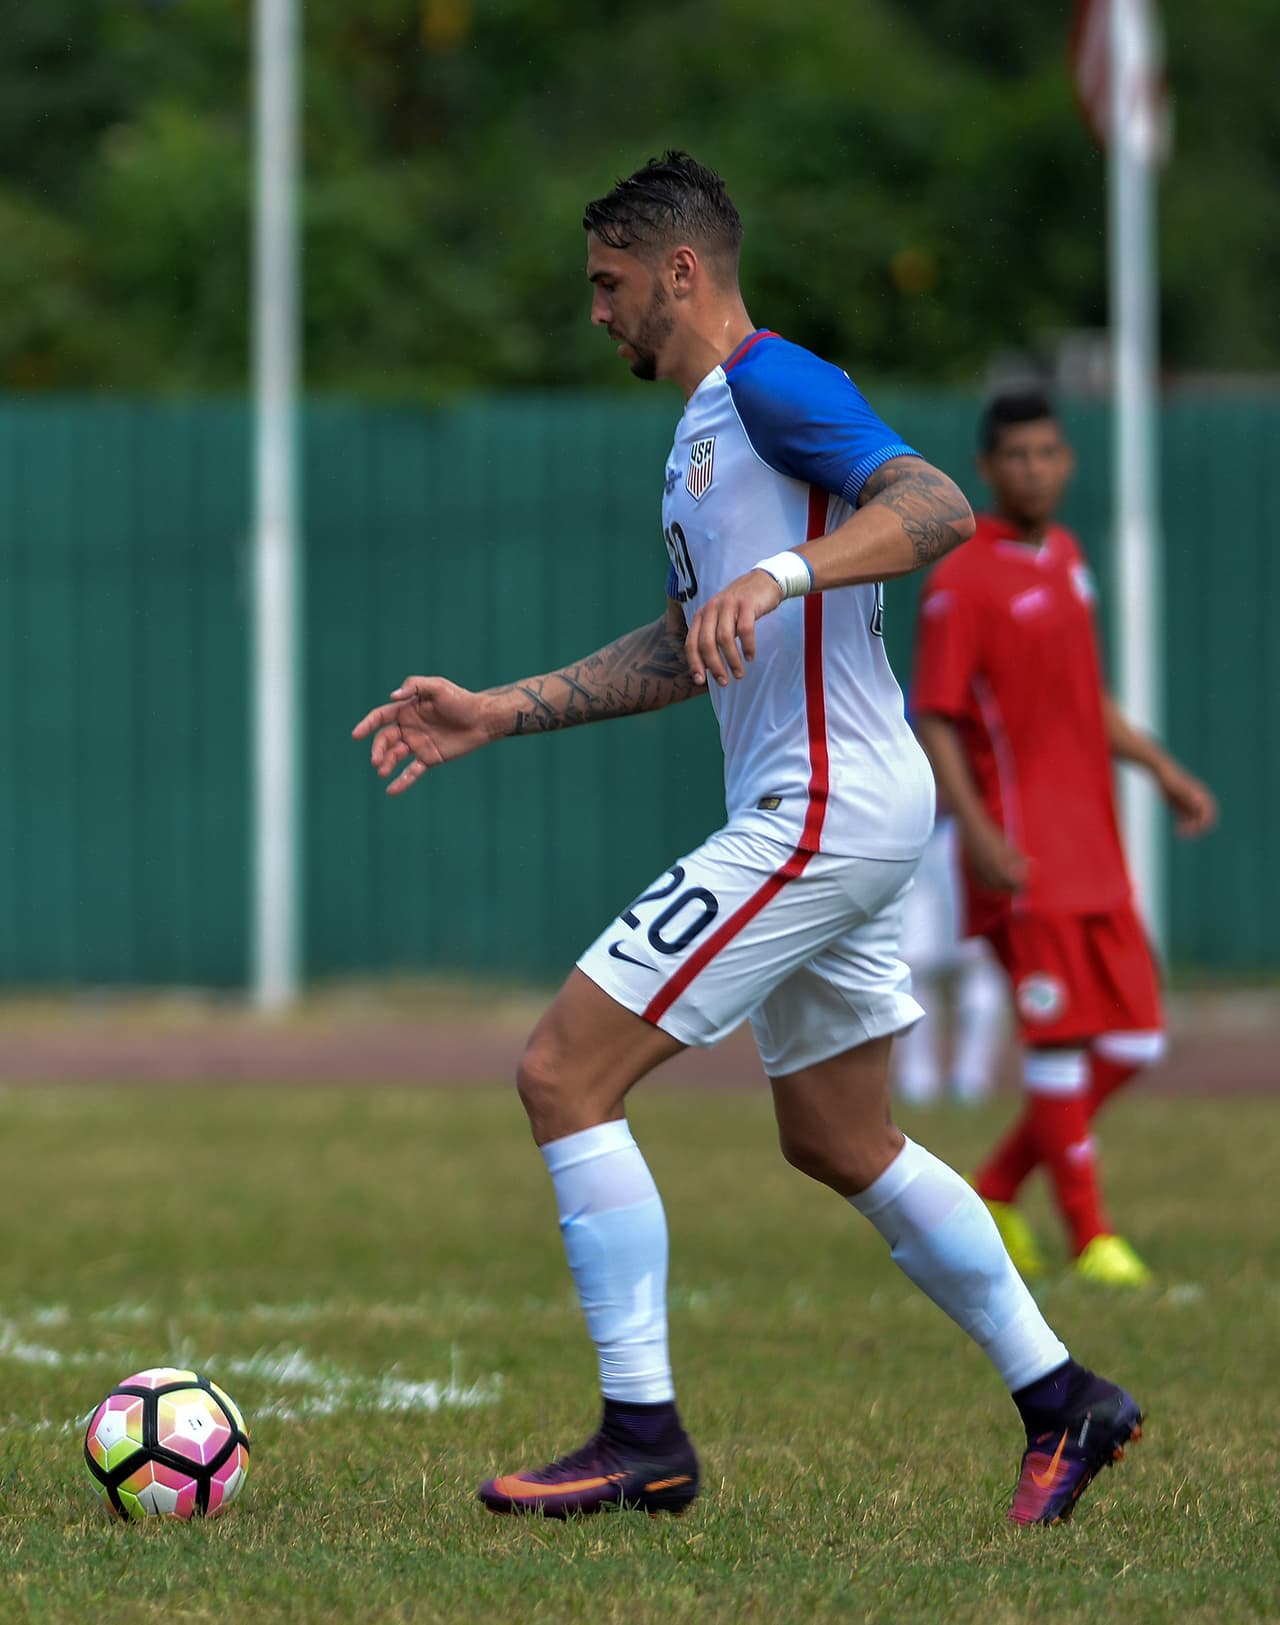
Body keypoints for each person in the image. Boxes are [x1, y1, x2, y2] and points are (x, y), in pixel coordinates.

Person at [353, 155, 1142, 1528]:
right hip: (835, 804)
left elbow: (936, 507)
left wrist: (783, 572)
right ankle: (1064, 1396)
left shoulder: (775, 383)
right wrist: (496, 711)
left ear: (680, 271)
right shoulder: (701, 432)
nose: (596, 314)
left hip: (825, 805)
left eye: (608, 286)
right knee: (840, 1136)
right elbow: (682, 646)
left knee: (561, 1071)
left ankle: (642, 1435)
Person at [911, 388, 1217, 1287]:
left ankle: (995, 1185)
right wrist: (977, 833)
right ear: (987, 468)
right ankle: (1091, 1236)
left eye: (1050, 452)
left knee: (1136, 1040)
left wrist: (1161, 770)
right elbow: (936, 718)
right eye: (1018, 455)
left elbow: (1086, 701)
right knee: (1056, 1041)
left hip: (1094, 849)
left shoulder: (1070, 557)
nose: (1036, 469)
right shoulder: (961, 578)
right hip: (1023, 854)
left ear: (1068, 460)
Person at [892, 792, 1007, 1107]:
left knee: (976, 962)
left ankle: (972, 1078)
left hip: (964, 832)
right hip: (913, 832)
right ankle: (918, 1079)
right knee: (912, 965)